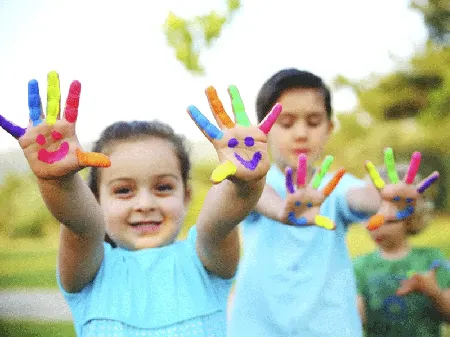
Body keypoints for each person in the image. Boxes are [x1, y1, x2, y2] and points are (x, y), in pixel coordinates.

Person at [0, 71, 281, 336]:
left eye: (163, 187)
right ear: (96, 200)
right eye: (123, 190)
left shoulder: (204, 262)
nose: (145, 203)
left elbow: (219, 222)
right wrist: (59, 181)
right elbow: (82, 224)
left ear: (186, 196)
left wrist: (246, 182)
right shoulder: (90, 270)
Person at [227, 68, 438, 337]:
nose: (301, 133)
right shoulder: (255, 183)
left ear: (329, 128)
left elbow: (359, 196)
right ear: (264, 130)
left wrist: (384, 199)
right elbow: (255, 194)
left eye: (313, 122)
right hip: (258, 329)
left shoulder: (335, 186)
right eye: (287, 122)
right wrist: (282, 209)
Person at [354, 164, 450, 337]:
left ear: (410, 218)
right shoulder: (359, 266)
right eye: (370, 216)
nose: (376, 227)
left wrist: (434, 292)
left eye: (389, 219)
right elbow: (354, 320)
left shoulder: (431, 260)